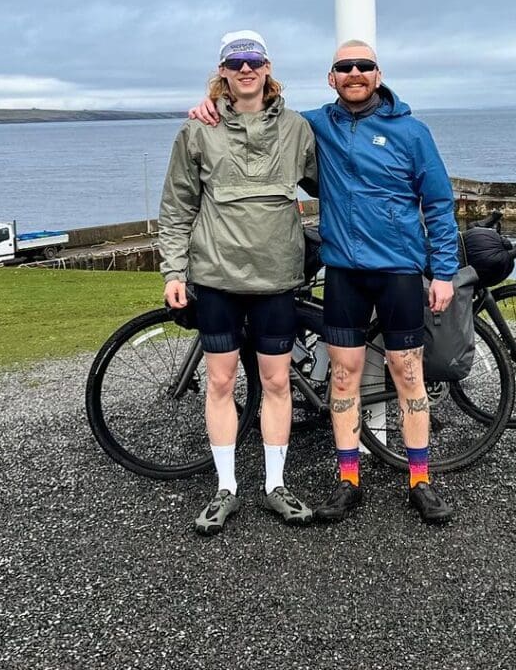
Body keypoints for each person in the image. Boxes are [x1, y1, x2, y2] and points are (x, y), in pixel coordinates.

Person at [191, 39, 459, 525]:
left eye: (364, 65)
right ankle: (348, 479)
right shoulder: (314, 124)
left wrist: (442, 270)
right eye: (344, 67)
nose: (355, 73)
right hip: (344, 273)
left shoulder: (412, 132)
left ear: (378, 74)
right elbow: (260, 112)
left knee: (408, 374)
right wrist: (212, 104)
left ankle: (420, 480)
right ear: (331, 78)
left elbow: (439, 203)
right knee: (343, 376)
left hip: (399, 270)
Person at [159, 30, 319, 536]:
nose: (245, 69)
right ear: (222, 72)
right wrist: (173, 271)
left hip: (276, 277)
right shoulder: (197, 131)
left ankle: (275, 485)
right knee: (222, 382)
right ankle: (225, 487)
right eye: (235, 62)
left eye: (253, 60)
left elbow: (334, 183)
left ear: (267, 67)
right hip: (216, 277)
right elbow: (177, 207)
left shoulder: (299, 129)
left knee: (276, 382)